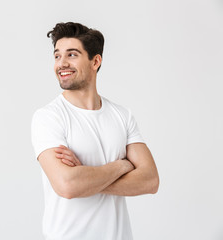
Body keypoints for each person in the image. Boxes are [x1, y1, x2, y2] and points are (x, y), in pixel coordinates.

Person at [31, 22, 159, 240]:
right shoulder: (48, 117)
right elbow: (67, 185)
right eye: (57, 56)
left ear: (95, 61)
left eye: (71, 55)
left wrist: (86, 177)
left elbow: (150, 180)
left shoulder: (122, 115)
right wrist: (122, 165)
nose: (61, 64)